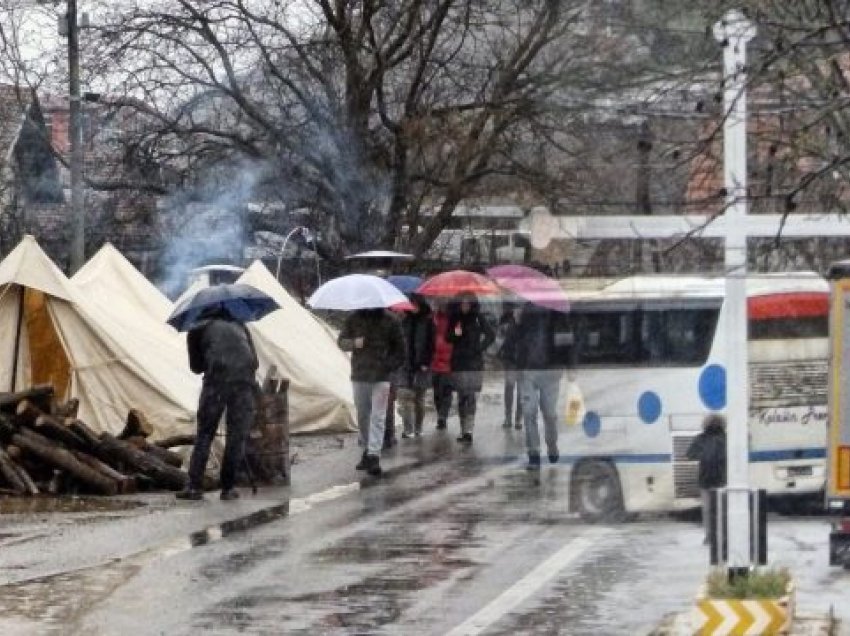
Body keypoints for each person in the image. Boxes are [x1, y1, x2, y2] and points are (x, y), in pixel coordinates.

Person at [178, 307, 259, 501]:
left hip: (216, 385)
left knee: (205, 434)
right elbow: (254, 361)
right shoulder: (240, 325)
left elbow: (196, 367)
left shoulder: (196, 329)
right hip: (244, 384)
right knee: (236, 437)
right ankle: (228, 488)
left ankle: (194, 487)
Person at [338, 308, 405, 476]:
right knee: (363, 415)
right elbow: (341, 342)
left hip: (381, 377)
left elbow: (401, 350)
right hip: (360, 375)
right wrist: (354, 343)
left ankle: (374, 454)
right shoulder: (353, 318)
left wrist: (388, 366)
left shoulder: (391, 320)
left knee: (378, 416)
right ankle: (367, 449)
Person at [515, 304, 562, 470]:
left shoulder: (558, 314)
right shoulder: (525, 313)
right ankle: (533, 454)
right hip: (529, 370)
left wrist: (570, 364)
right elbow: (516, 342)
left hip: (551, 372)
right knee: (529, 412)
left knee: (549, 413)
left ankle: (551, 443)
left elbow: (567, 342)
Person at [446, 292, 496, 443]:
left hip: (474, 363)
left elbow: (491, 335)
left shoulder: (478, 318)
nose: (465, 306)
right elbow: (448, 338)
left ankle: (469, 430)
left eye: (468, 303)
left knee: (471, 396)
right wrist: (456, 333)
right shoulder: (454, 319)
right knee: (461, 397)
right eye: (462, 303)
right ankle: (463, 430)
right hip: (459, 362)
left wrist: (480, 348)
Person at [397, 294, 435, 438]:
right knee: (405, 397)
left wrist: (426, 362)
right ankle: (408, 429)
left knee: (419, 399)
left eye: (415, 304)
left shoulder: (428, 322)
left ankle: (418, 428)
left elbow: (432, 345)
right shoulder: (404, 322)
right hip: (406, 365)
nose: (413, 307)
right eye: (411, 304)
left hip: (422, 366)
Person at [687, 414, 727, 544]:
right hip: (722, 478)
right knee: (722, 509)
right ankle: (722, 535)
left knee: (708, 510)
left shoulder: (701, 438)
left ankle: (710, 536)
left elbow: (690, 454)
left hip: (705, 478)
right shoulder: (726, 438)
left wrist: (704, 455)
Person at [497, 305, 523, 430]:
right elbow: (500, 335)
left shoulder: (529, 321)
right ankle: (508, 417)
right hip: (510, 360)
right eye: (517, 310)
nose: (518, 312)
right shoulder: (507, 319)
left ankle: (518, 418)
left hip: (524, 361)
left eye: (521, 310)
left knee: (522, 390)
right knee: (509, 387)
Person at [431, 301, 455, 431]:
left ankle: (443, 416)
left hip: (449, 361)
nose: (441, 305)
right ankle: (440, 414)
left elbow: (457, 335)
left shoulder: (453, 319)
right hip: (435, 360)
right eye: (439, 302)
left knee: (446, 391)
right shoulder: (433, 318)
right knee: (437, 392)